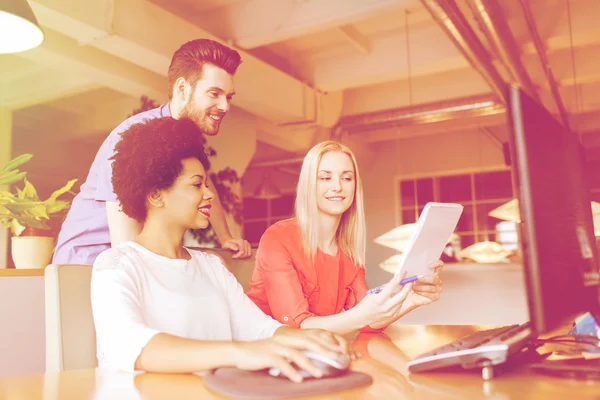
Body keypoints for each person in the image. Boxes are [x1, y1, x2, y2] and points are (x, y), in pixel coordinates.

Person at [90, 118, 350, 382]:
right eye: (196, 185)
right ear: (156, 195)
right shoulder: (116, 265)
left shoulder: (210, 267)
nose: (209, 194)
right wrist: (240, 353)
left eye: (206, 184)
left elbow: (259, 329)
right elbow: (132, 346)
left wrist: (311, 339)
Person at [53, 39, 251, 265]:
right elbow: (125, 248)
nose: (225, 106)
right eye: (214, 93)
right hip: (86, 262)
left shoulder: (185, 139)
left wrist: (225, 237)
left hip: (125, 261)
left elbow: (206, 184)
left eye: (228, 97)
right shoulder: (134, 137)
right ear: (182, 89)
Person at [246, 141, 444, 334]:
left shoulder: (348, 252)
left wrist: (411, 298)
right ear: (309, 185)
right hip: (260, 353)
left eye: (347, 178)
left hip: (313, 354)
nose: (337, 187)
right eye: (325, 178)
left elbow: (368, 322)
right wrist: (361, 316)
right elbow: (295, 327)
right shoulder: (278, 238)